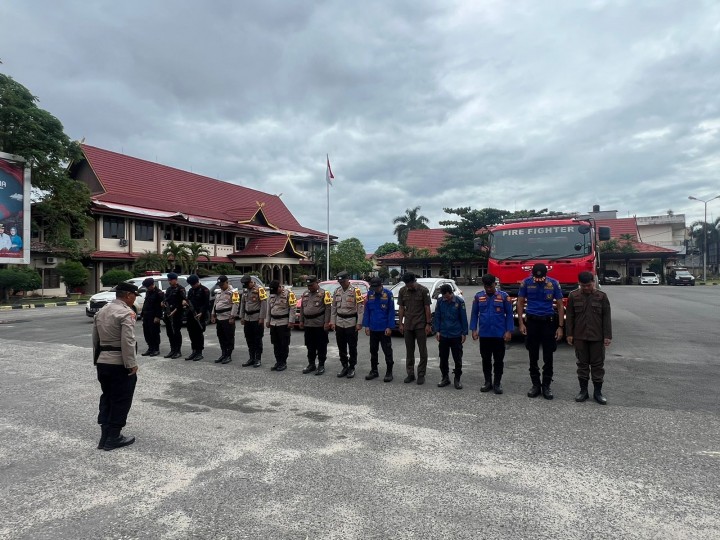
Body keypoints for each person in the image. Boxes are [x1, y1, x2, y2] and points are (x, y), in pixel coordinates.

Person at [92, 281, 139, 451]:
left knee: (107, 397)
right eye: (134, 296)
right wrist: (131, 364)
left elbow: (95, 339)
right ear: (128, 295)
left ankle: (104, 436)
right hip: (119, 363)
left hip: (103, 362)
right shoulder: (126, 313)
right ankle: (114, 437)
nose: (135, 299)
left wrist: (97, 359)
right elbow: (127, 341)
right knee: (121, 399)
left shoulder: (102, 311)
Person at [517, 263, 565, 400]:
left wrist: (560, 326)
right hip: (532, 322)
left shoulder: (553, 283)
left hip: (548, 323)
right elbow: (520, 302)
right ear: (532, 274)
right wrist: (521, 323)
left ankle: (546, 385)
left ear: (546, 275)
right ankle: (535, 385)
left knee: (548, 355)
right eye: (536, 278)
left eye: (541, 278)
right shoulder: (526, 283)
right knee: (533, 354)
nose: (539, 280)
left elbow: (560, 305)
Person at [566, 271, 612, 405]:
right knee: (582, 365)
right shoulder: (573, 296)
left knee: (598, 366)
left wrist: (607, 336)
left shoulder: (601, 296)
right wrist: (569, 334)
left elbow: (606, 317)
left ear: (593, 282)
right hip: (580, 336)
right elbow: (570, 316)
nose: (586, 288)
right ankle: (583, 391)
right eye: (583, 285)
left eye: (588, 285)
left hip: (597, 337)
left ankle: (598, 392)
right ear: (579, 284)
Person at [470, 274, 514, 394]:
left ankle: (497, 383)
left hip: (499, 335)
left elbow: (509, 314)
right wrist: (474, 329)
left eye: (490, 286)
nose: (488, 289)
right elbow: (474, 314)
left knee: (499, 360)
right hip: (484, 335)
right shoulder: (478, 297)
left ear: (495, 284)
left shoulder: (504, 297)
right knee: (486, 360)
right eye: (486, 286)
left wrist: (509, 330)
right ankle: (487, 382)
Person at [396, 272, 432, 385]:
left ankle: (421, 374)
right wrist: (400, 324)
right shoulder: (402, 291)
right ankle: (410, 374)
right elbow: (401, 308)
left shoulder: (423, 290)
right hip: (408, 325)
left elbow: (427, 308)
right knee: (409, 351)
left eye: (410, 284)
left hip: (420, 325)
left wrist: (428, 324)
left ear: (414, 281)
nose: (408, 286)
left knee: (422, 350)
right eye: (406, 284)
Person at [329, 271, 365, 379]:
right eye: (340, 281)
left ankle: (352, 367)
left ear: (347, 279)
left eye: (343, 281)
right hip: (340, 322)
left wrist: (359, 323)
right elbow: (334, 308)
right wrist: (333, 322)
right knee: (341, 346)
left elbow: (360, 309)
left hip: (351, 322)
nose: (341, 283)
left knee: (352, 346)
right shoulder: (337, 291)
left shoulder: (355, 291)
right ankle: (344, 366)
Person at [433, 283, 468, 389]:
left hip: (456, 334)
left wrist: (464, 333)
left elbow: (463, 318)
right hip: (443, 334)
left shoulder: (459, 302)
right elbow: (437, 316)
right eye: (443, 296)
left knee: (457, 358)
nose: (445, 298)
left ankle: (457, 379)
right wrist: (437, 330)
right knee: (443, 358)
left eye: (447, 296)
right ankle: (445, 377)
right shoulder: (440, 301)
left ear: (451, 293)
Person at [361, 277, 395, 382]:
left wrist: (389, 327)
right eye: (373, 287)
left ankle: (389, 372)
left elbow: (391, 312)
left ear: (381, 286)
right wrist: (366, 325)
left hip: (384, 328)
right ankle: (374, 370)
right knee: (373, 350)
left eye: (376, 287)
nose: (374, 290)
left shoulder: (388, 294)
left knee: (387, 351)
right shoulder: (370, 294)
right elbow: (367, 311)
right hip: (373, 328)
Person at [298, 275, 331, 375]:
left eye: (311, 285)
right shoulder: (305, 293)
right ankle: (311, 364)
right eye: (308, 285)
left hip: (319, 324)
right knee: (310, 345)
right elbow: (303, 309)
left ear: (317, 283)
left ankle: (321, 365)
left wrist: (326, 322)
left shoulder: (324, 293)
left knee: (321, 345)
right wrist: (301, 321)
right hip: (308, 324)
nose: (309, 287)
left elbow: (328, 309)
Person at [266, 280, 296, 371]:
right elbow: (269, 308)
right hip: (273, 322)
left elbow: (292, 308)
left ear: (280, 287)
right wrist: (268, 320)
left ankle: (283, 362)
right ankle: (278, 361)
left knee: (283, 344)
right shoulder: (272, 294)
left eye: (275, 290)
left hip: (283, 322)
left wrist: (291, 321)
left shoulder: (289, 294)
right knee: (275, 343)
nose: (274, 292)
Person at [239, 275, 268, 367]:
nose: (246, 286)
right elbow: (243, 303)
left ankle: (258, 359)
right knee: (249, 338)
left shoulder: (260, 289)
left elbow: (264, 304)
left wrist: (261, 318)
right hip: (247, 318)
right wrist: (242, 316)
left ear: (251, 282)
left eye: (247, 284)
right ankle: (251, 358)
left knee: (257, 339)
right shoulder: (246, 290)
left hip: (256, 318)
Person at [211, 275, 240, 364]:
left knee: (229, 337)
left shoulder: (233, 292)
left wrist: (232, 316)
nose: (221, 286)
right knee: (221, 337)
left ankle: (228, 355)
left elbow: (236, 305)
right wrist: (213, 314)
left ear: (227, 282)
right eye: (219, 284)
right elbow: (215, 303)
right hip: (219, 318)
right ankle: (223, 354)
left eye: (222, 284)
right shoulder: (219, 292)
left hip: (227, 318)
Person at [183, 274, 210, 361]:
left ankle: (199, 352)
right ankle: (194, 351)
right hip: (190, 315)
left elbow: (206, 304)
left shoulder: (204, 290)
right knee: (191, 334)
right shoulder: (191, 290)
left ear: (197, 282)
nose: (192, 286)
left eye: (193, 284)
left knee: (198, 334)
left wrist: (201, 312)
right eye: (191, 285)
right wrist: (185, 303)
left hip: (199, 315)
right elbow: (188, 300)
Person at [162, 272, 186, 359]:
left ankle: (178, 351)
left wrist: (174, 311)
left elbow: (182, 302)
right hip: (168, 313)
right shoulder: (169, 289)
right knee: (170, 333)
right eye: (168, 280)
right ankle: (172, 350)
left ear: (175, 280)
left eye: (170, 280)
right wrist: (163, 303)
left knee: (176, 332)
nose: (169, 282)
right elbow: (166, 299)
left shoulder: (181, 289)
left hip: (177, 314)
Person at [140, 277, 164, 357]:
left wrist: (157, 316)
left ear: (152, 285)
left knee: (154, 333)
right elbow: (146, 303)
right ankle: (150, 348)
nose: (147, 288)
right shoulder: (148, 292)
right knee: (147, 333)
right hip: (147, 315)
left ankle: (156, 349)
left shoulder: (159, 293)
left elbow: (160, 306)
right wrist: (142, 314)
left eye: (148, 286)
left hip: (154, 316)